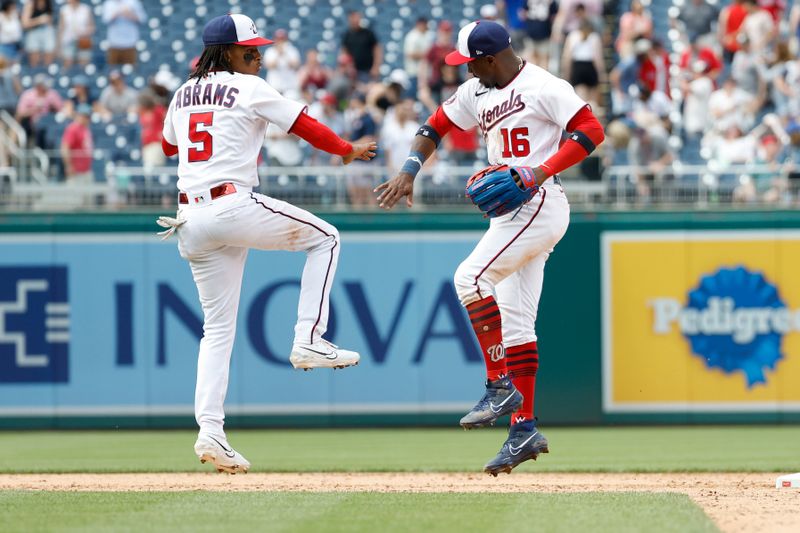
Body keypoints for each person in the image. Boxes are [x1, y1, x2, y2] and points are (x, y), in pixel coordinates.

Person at [374, 20, 604, 475]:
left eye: (471, 63)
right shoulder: (476, 92)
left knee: (470, 279)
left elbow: (590, 130)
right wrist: (409, 168)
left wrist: (538, 171)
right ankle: (523, 430)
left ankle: (499, 384)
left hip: (539, 200)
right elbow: (435, 124)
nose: (467, 71)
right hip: (514, 209)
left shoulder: (542, 85)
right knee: (518, 325)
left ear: (491, 57)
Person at [159, 13, 376, 474]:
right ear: (225, 53)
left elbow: (167, 147)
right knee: (327, 239)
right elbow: (303, 126)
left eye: (258, 49)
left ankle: (211, 432)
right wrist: (346, 150)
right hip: (229, 204)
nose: (257, 56)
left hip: (189, 219)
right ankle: (309, 339)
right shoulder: (248, 88)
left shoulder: (182, 93)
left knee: (216, 331)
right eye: (249, 50)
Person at [60, 103, 94, 205]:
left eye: (88, 116)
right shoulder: (73, 129)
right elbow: (65, 148)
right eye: (84, 116)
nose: (86, 118)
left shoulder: (86, 129)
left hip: (86, 171)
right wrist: (69, 166)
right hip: (76, 172)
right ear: (78, 115)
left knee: (88, 204)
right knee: (75, 204)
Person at [340, 10, 381, 83]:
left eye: (356, 18)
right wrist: (346, 67)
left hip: (367, 70)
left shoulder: (368, 33)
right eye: (352, 18)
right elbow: (344, 52)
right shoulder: (347, 35)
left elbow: (377, 49)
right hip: (353, 72)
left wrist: (376, 67)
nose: (355, 20)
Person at [102, 0, 146, 65]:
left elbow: (142, 19)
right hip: (114, 43)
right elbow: (105, 20)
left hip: (130, 43)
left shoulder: (133, 2)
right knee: (113, 72)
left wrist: (129, 14)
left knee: (131, 71)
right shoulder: (109, 3)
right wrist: (118, 12)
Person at [58, 0, 94, 68]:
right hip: (68, 40)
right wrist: (59, 47)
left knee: (84, 64)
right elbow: (61, 29)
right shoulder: (64, 10)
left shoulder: (86, 9)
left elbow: (92, 28)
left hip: (84, 40)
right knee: (67, 64)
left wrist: (83, 32)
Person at [21, 0, 56, 67]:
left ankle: (47, 75)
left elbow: (51, 20)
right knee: (34, 60)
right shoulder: (30, 4)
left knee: (49, 56)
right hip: (33, 32)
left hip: (47, 31)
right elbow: (24, 24)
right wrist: (40, 20)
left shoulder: (49, 3)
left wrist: (48, 21)